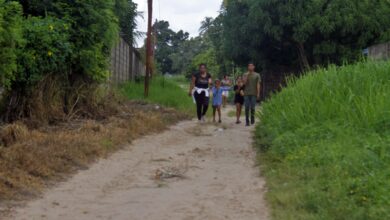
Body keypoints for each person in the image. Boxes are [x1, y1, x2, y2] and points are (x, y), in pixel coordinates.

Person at [243, 62, 261, 126]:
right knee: (246, 107)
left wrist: (258, 93)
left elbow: (258, 84)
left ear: (254, 67)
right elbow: (244, 83)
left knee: (253, 107)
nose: (250, 67)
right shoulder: (245, 74)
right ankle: (247, 121)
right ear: (248, 67)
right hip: (246, 93)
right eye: (249, 66)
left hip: (254, 93)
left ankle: (252, 119)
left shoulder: (257, 75)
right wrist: (247, 76)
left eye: (251, 66)